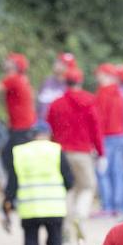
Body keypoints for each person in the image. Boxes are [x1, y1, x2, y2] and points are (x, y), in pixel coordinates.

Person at [2, 121, 73, 245]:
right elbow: (69, 181)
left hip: (29, 209)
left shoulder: (20, 153)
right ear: (48, 134)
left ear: (32, 135)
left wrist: (6, 208)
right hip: (54, 208)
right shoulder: (56, 150)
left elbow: (11, 186)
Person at [44, 62, 102, 231]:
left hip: (61, 151)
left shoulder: (56, 104)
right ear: (80, 82)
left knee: (68, 186)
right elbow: (95, 129)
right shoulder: (89, 101)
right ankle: (79, 215)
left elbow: (50, 128)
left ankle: (65, 225)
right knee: (88, 185)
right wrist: (101, 152)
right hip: (82, 151)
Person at [93, 64, 123, 217]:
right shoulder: (122, 94)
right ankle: (118, 206)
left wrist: (96, 142)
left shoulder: (103, 94)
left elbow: (99, 120)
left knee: (103, 172)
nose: (98, 78)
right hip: (120, 136)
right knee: (118, 171)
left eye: (101, 75)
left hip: (107, 138)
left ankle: (108, 206)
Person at [36, 51, 75, 121]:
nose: (57, 64)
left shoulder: (70, 86)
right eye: (58, 61)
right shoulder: (47, 81)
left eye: (61, 63)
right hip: (41, 125)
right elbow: (38, 103)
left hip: (58, 126)